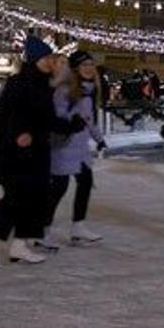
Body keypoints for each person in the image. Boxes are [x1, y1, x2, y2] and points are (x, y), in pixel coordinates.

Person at [0, 38, 84, 268]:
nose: (54, 61)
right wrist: (20, 133)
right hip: (17, 152)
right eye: (50, 58)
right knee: (17, 198)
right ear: (39, 60)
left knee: (35, 197)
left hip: (37, 151)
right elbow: (7, 114)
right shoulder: (20, 82)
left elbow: (45, 119)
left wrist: (71, 125)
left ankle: (20, 245)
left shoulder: (43, 84)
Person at [45, 50, 106, 245]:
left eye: (91, 64)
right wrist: (73, 122)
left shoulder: (89, 90)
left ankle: (78, 227)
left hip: (79, 148)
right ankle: (42, 228)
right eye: (84, 65)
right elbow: (58, 116)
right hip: (64, 146)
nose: (89, 68)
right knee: (59, 188)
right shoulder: (65, 90)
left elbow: (88, 120)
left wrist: (99, 139)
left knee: (85, 182)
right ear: (75, 69)